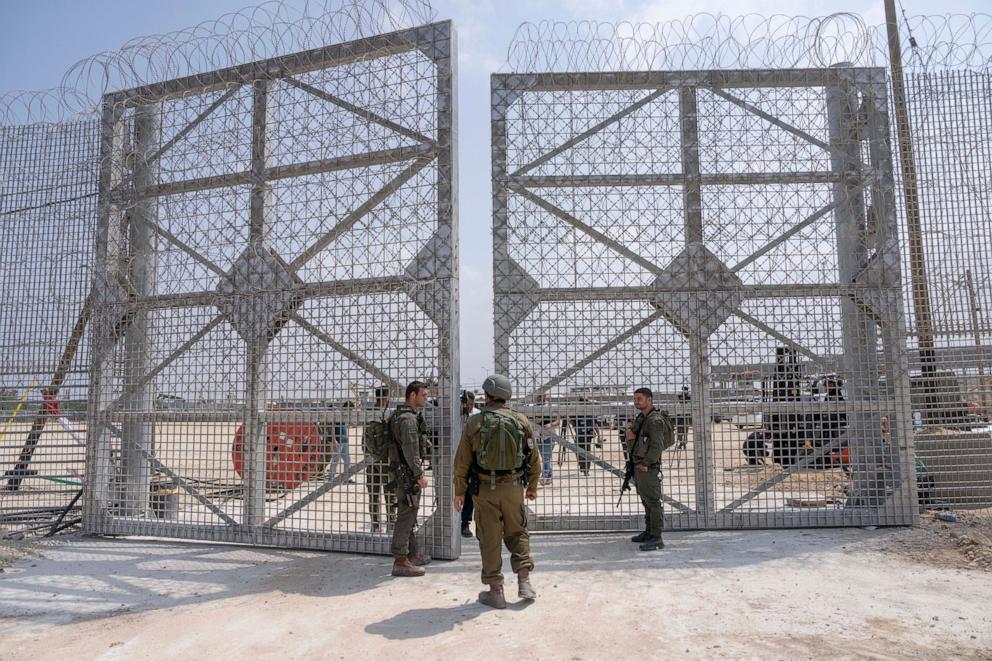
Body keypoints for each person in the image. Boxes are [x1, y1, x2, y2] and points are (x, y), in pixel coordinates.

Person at [453, 374, 541, 609]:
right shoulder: (520, 420)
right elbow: (534, 457)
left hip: (484, 489)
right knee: (518, 532)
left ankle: (496, 591)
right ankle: (524, 581)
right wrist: (531, 486)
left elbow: (461, 461)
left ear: (488, 395)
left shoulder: (475, 422)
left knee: (489, 538)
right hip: (514, 487)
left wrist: (459, 491)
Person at [388, 381, 432, 577]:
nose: (426, 399)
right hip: (407, 474)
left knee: (410, 512)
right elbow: (411, 450)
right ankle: (400, 560)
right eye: (423, 395)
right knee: (406, 515)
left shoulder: (399, 415)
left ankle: (412, 554)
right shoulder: (407, 419)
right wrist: (419, 475)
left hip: (401, 472)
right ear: (412, 396)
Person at [625, 387, 673, 552]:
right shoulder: (643, 418)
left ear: (649, 400)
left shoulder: (654, 420)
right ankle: (649, 532)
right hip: (640, 466)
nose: (636, 402)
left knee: (653, 502)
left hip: (648, 467)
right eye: (635, 399)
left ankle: (657, 537)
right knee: (646, 500)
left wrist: (646, 463)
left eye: (639, 399)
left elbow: (657, 446)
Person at [366, 386, 395, 533]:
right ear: (385, 397)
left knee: (373, 493)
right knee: (389, 492)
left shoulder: (368, 413)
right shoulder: (387, 414)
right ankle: (391, 524)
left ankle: (376, 525)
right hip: (385, 459)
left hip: (370, 459)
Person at [460, 389, 480, 538]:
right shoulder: (456, 414)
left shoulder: (478, 415)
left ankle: (466, 523)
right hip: (457, 456)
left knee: (470, 492)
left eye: (471, 405)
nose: (469, 407)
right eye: (467, 404)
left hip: (472, 457)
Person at [533, 392, 558, 486]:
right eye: (538, 395)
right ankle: (549, 477)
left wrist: (550, 424)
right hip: (538, 437)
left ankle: (545, 476)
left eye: (541, 395)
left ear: (545, 396)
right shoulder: (533, 407)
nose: (539, 397)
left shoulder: (551, 406)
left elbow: (558, 421)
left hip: (549, 435)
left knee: (546, 457)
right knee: (545, 457)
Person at [327, 402, 353, 483]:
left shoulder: (344, 415)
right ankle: (331, 479)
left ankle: (346, 478)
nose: (350, 411)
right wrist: (334, 440)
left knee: (347, 460)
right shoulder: (337, 414)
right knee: (335, 460)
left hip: (344, 440)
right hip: (338, 440)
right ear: (346, 407)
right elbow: (333, 427)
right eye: (350, 409)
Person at [572, 401, 599, 476]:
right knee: (581, 452)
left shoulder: (589, 413)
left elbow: (595, 424)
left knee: (585, 452)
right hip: (581, 434)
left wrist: (599, 435)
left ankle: (585, 469)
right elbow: (571, 421)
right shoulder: (577, 413)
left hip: (586, 434)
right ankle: (584, 468)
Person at [675, 385, 690, 450]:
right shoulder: (680, 401)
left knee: (684, 432)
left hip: (684, 417)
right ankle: (682, 443)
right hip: (681, 417)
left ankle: (682, 444)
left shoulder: (688, 399)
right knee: (681, 432)